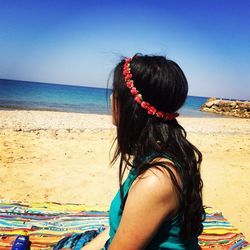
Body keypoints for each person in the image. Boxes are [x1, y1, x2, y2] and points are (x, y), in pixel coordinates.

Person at [54, 54, 204, 250]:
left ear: (133, 106)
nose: (111, 97)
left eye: (117, 91)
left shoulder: (156, 180)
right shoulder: (160, 153)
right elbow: (117, 229)